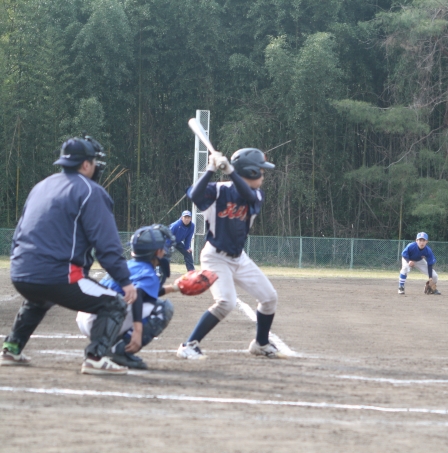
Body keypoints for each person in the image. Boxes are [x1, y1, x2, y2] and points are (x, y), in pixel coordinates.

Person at [1, 135, 137, 375]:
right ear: (85, 164)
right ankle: (96, 357)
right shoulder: (91, 191)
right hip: (59, 277)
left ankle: (11, 348)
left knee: (38, 299)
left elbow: (20, 231)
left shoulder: (41, 186)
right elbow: (107, 245)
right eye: (94, 162)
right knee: (114, 304)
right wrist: (124, 281)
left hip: (20, 273)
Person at [176, 148, 285, 360]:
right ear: (251, 172)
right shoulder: (218, 190)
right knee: (226, 302)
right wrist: (210, 168)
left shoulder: (256, 195)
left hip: (238, 258)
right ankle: (189, 345)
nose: (263, 175)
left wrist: (230, 171)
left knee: (269, 298)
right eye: (261, 171)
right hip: (215, 257)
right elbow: (194, 195)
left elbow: (246, 195)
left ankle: (260, 344)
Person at [76, 224, 177, 370]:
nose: (165, 251)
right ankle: (120, 351)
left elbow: (143, 292)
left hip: (87, 317)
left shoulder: (128, 265)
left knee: (143, 302)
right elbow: (138, 295)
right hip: (103, 320)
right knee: (162, 308)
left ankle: (110, 344)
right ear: (157, 251)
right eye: (163, 247)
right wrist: (138, 330)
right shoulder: (148, 273)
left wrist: (175, 288)